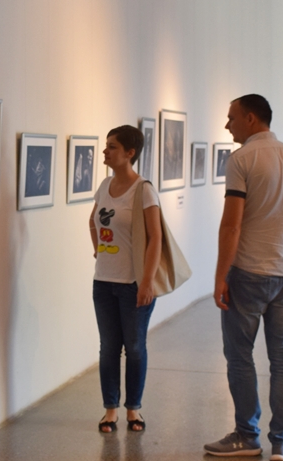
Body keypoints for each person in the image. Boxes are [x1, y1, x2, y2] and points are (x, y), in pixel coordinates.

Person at [204, 94, 283, 461]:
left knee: (240, 358)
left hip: (249, 273)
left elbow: (232, 224)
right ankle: (282, 442)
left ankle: (247, 436)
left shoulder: (241, 159)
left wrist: (221, 276)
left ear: (251, 119)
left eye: (231, 117)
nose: (227, 124)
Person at [89, 125, 163, 433]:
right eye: (106, 146)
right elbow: (92, 222)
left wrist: (147, 281)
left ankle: (134, 409)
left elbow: (155, 237)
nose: (105, 151)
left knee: (134, 346)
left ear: (129, 153)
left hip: (133, 283)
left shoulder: (143, 190)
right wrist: (99, 252)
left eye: (112, 147)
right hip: (103, 282)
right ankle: (110, 410)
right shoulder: (105, 185)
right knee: (108, 347)